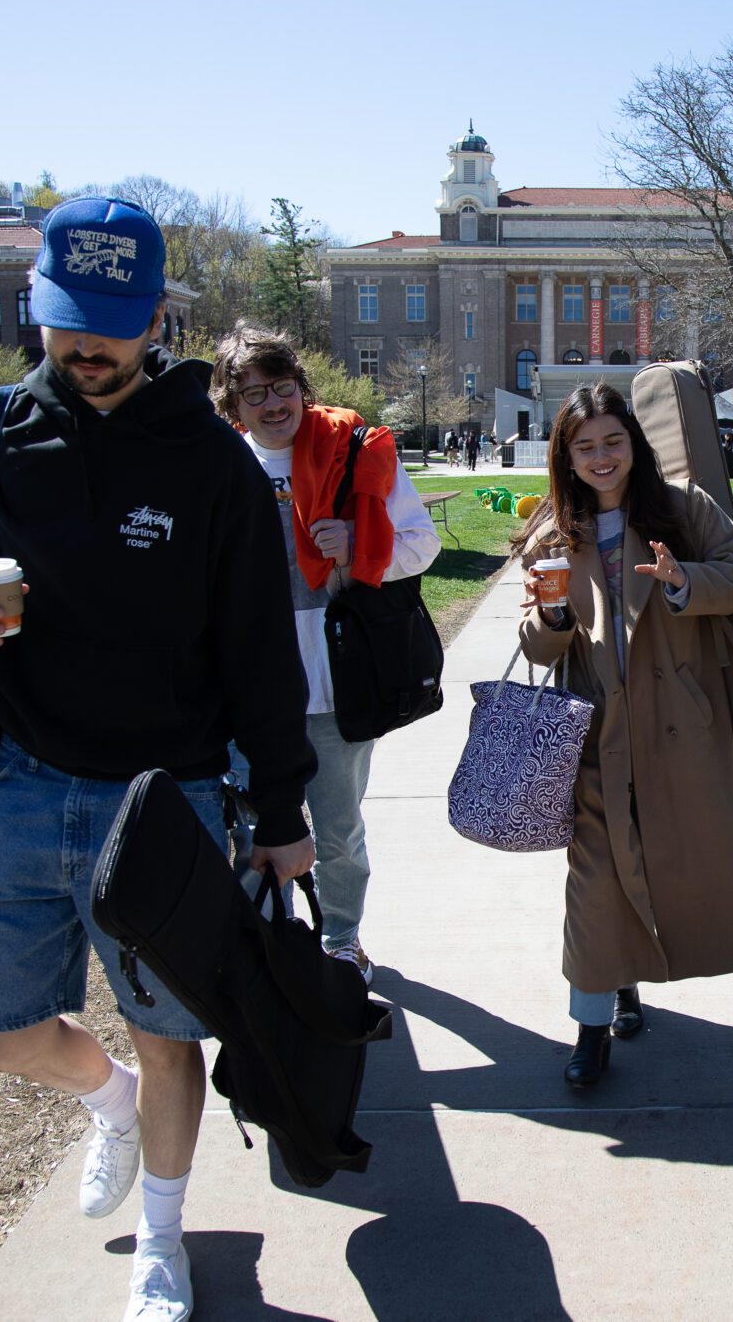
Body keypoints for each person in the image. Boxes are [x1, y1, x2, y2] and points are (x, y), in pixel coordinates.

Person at [0, 197, 318, 1322]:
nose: (84, 349)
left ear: (155, 319)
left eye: (109, 326)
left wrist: (282, 808)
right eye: (64, 323)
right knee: (4, 1038)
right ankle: (105, 1101)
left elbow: (257, 656)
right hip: (24, 777)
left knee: (168, 1032)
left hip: (168, 796)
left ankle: (162, 1237)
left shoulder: (212, 464)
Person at [514, 382, 733, 1088]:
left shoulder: (683, 510)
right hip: (593, 739)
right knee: (595, 882)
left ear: (635, 442)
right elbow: (535, 646)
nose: (601, 456)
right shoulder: (553, 530)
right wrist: (554, 616)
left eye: (613, 440)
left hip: (678, 731)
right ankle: (590, 1026)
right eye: (584, 444)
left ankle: (627, 982)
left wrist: (682, 577)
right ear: (566, 454)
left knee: (663, 861)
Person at [209, 324, 441, 983]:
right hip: (244, 691)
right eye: (252, 393)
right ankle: (271, 938)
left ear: (302, 389)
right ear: (232, 404)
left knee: (337, 831)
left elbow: (422, 546)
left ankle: (341, 939)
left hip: (338, 683)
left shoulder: (354, 451)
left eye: (282, 387)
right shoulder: (217, 465)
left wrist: (361, 551)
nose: (271, 403)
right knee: (249, 832)